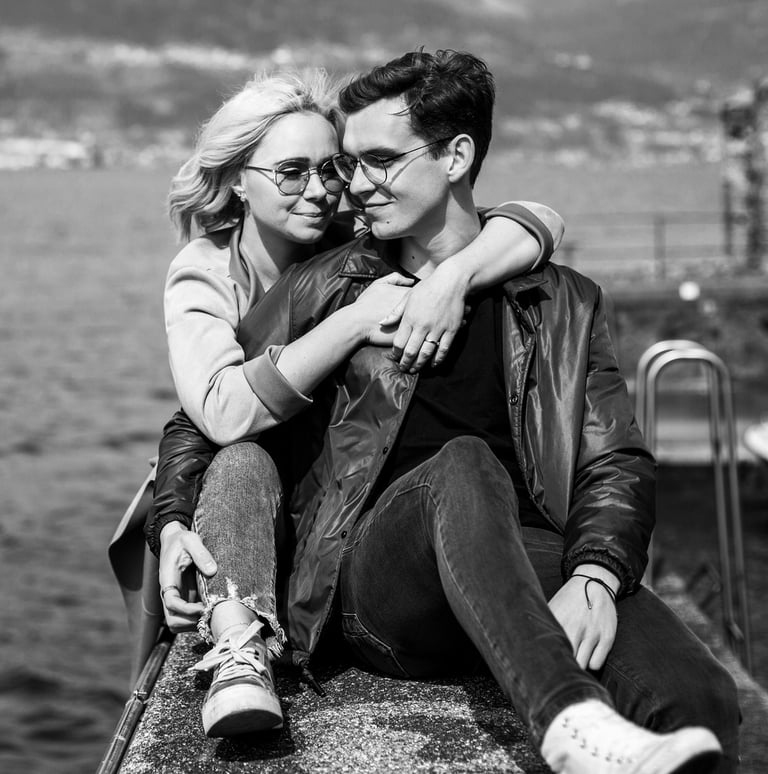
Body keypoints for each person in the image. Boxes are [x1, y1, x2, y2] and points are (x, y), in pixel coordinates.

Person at [147, 49, 738, 774]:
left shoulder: (561, 300)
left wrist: (596, 577)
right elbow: (207, 414)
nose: (351, 188)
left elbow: (613, 457)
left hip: (523, 558)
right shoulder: (329, 283)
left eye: (378, 161)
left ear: (457, 155)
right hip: (379, 580)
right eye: (349, 163)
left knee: (699, 698)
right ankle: (566, 721)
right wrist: (171, 518)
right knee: (462, 465)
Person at [128, 67, 563, 717]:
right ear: (238, 181)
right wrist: (168, 522)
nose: (321, 191)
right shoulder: (207, 271)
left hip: (326, 512)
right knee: (243, 459)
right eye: (291, 172)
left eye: (331, 169)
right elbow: (211, 413)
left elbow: (538, 220)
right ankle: (239, 649)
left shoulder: (354, 243)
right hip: (238, 496)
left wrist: (454, 279)